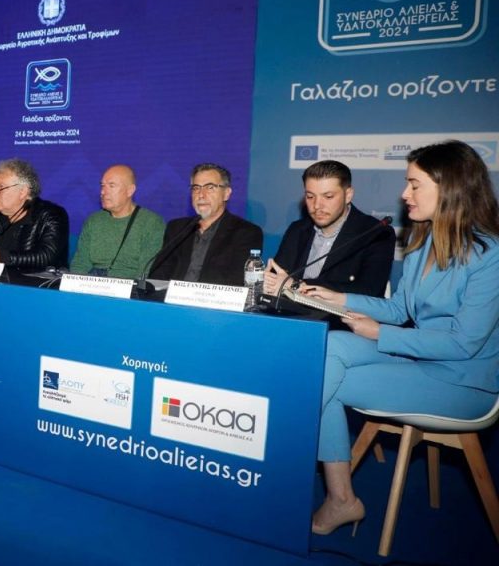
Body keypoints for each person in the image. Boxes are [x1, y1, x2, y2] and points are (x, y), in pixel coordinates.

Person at [302, 141, 499, 536]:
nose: (404, 194)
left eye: (414, 184)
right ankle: (338, 495)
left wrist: (380, 333)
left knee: (324, 381)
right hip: (419, 359)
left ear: (450, 187)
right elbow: (399, 309)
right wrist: (337, 298)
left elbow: (463, 344)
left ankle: (324, 488)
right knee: (329, 347)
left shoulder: (489, 254)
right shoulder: (423, 242)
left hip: (464, 381)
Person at [264, 160, 393, 298]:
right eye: (310, 196)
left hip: (341, 312)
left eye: (328, 196)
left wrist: (297, 285)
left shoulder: (376, 233)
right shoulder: (297, 229)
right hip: (289, 310)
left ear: (348, 195)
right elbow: (279, 277)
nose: (317, 205)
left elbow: (369, 291)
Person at [148, 163, 262, 286]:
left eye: (210, 187)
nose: (201, 195)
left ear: (226, 193)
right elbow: (159, 274)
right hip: (170, 297)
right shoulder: (177, 228)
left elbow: (237, 282)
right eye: (196, 188)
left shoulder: (246, 233)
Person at [0, 158, 69, 272]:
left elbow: (46, 257)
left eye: (0, 187)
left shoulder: (52, 215)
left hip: (35, 281)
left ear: (23, 192)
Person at [70, 165, 166, 279]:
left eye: (111, 185)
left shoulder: (152, 223)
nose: (103, 192)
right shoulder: (93, 221)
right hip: (91, 285)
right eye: (102, 185)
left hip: (129, 287)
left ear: (130, 191)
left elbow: (145, 273)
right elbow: (79, 264)